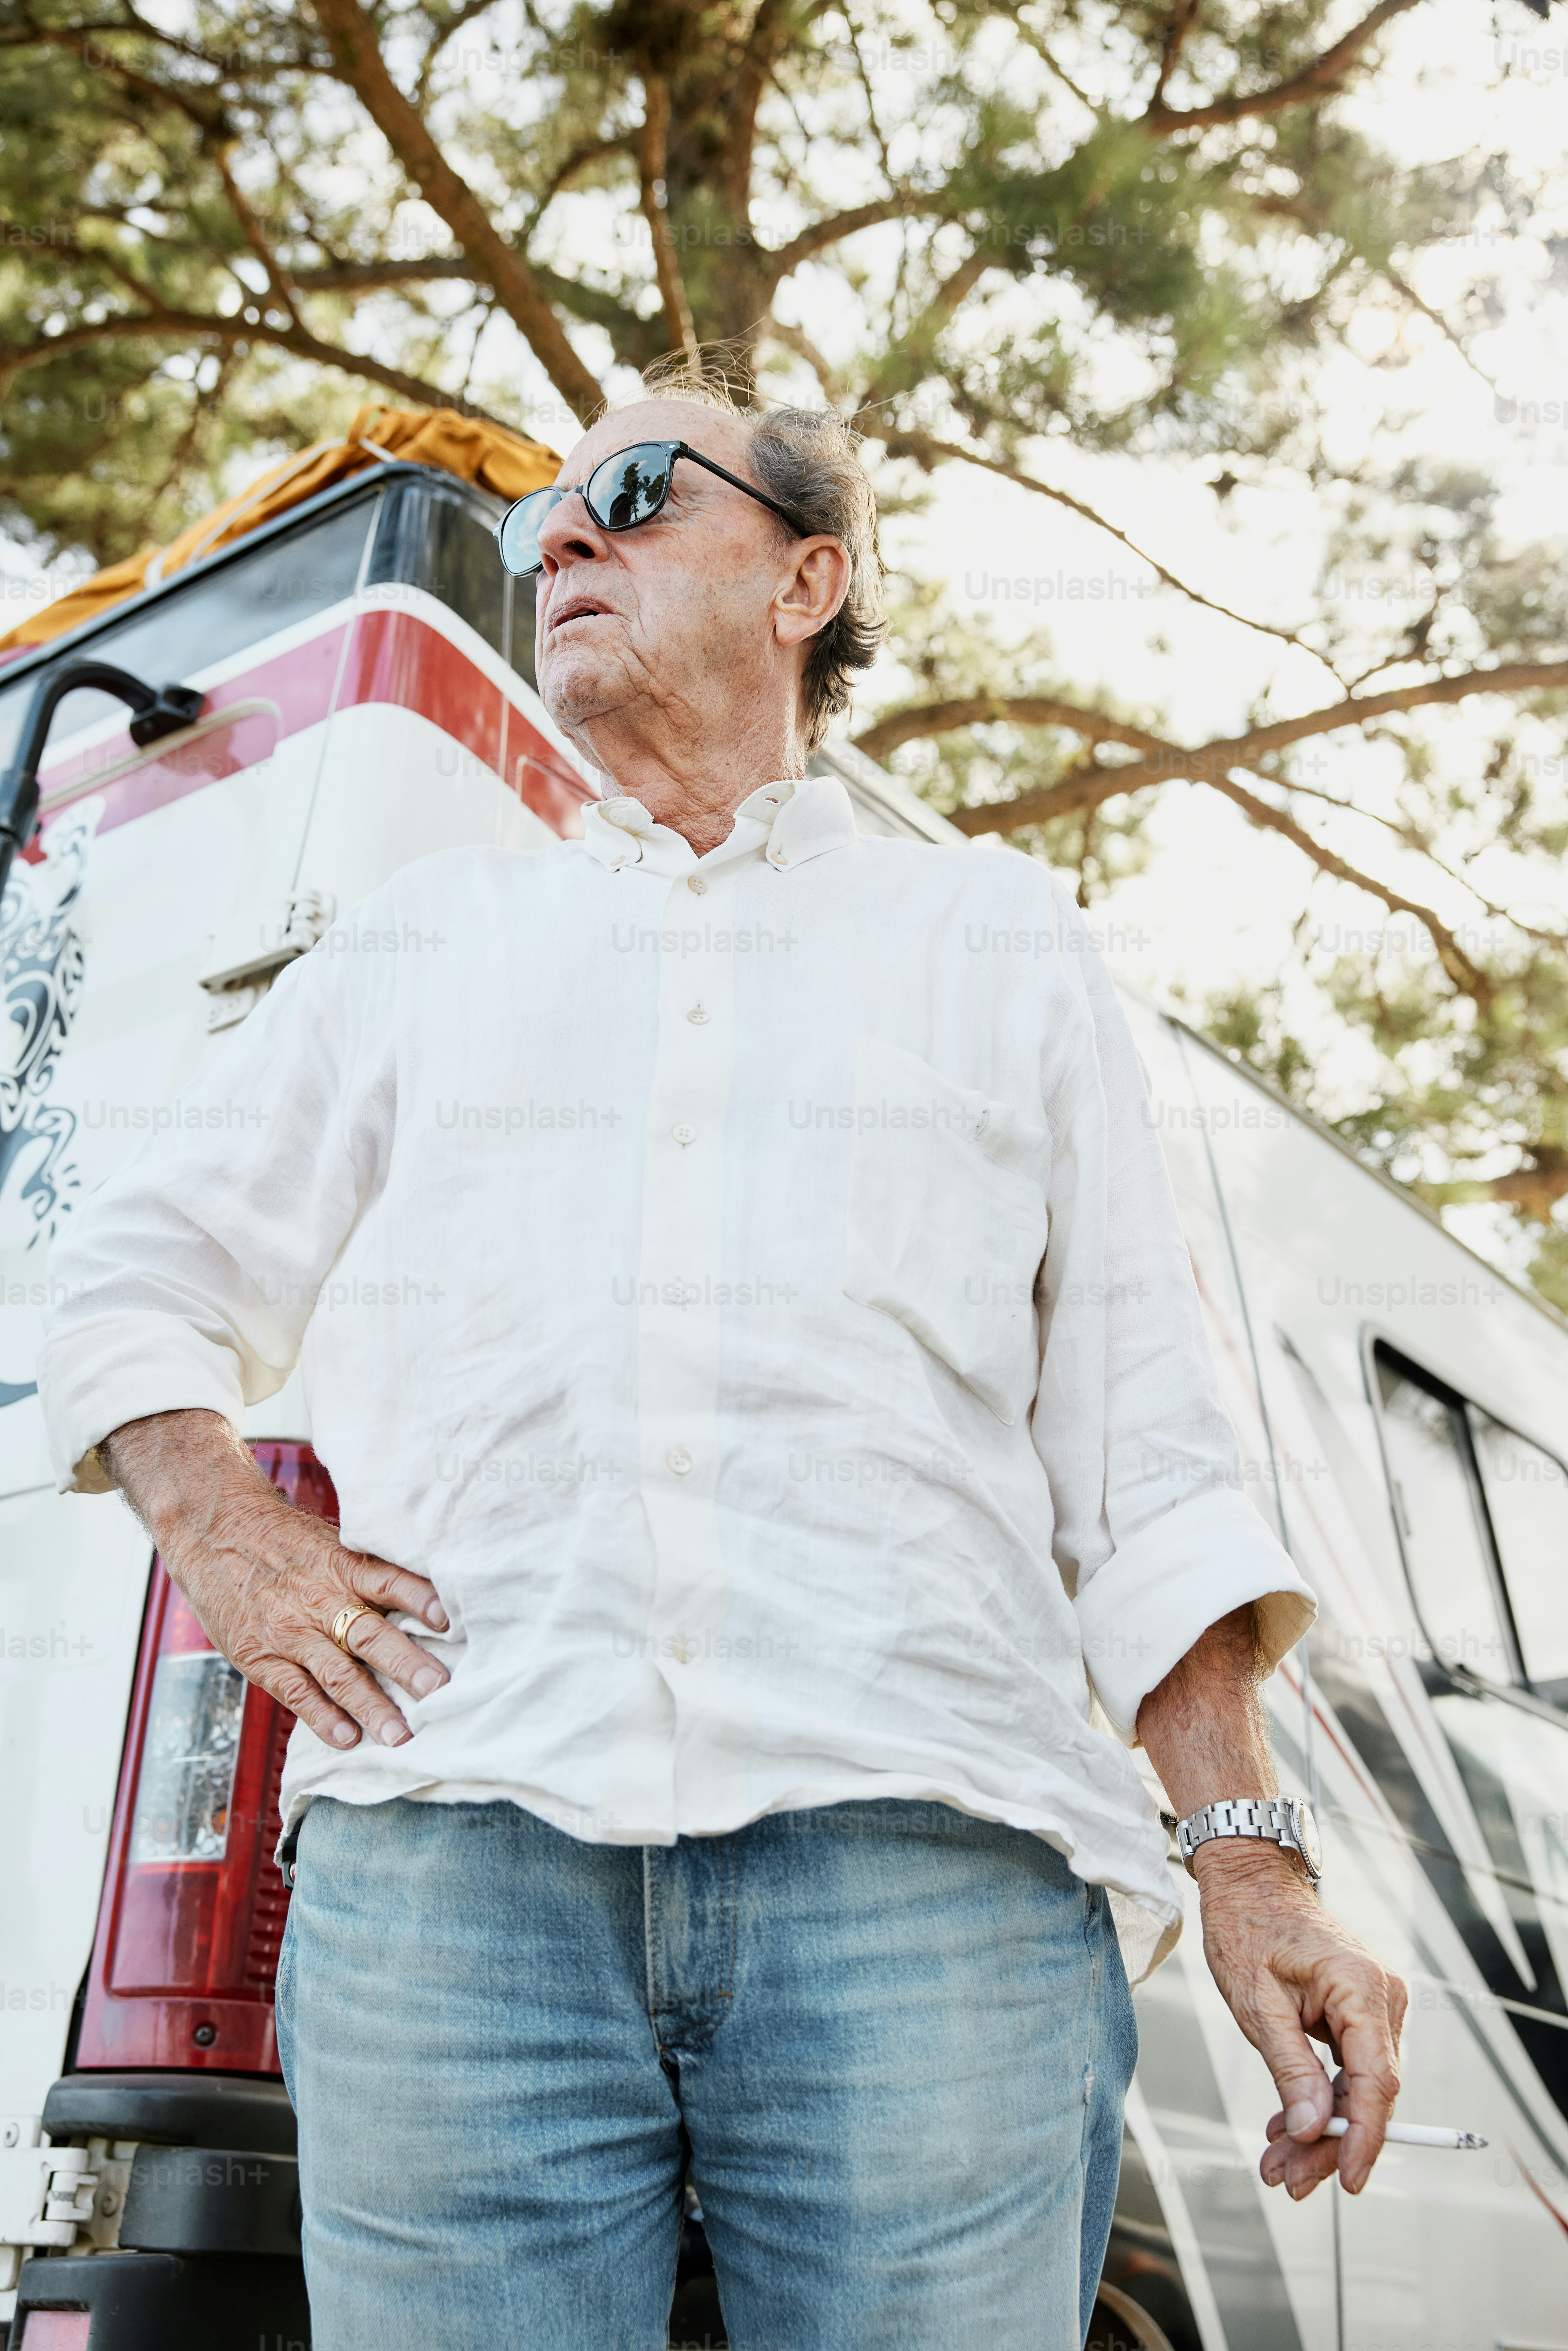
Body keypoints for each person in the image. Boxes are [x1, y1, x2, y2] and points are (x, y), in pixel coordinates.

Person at [38, 370, 1405, 2351]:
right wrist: (227, 1532)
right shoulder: (423, 942)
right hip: (454, 1883)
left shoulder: (997, 936)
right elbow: (131, 1266)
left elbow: (1146, 1456)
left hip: (931, 1886)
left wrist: (1250, 1866)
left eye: (633, 493)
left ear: (804, 582)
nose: (559, 539)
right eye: (541, 523)